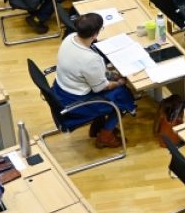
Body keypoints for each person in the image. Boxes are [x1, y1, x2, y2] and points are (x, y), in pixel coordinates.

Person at [52, 13, 133, 147]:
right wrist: (119, 82)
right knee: (124, 95)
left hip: (61, 90)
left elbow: (89, 72)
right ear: (95, 35)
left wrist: (112, 75)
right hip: (75, 103)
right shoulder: (91, 59)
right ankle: (105, 136)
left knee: (118, 91)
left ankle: (98, 125)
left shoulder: (69, 38)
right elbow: (101, 87)